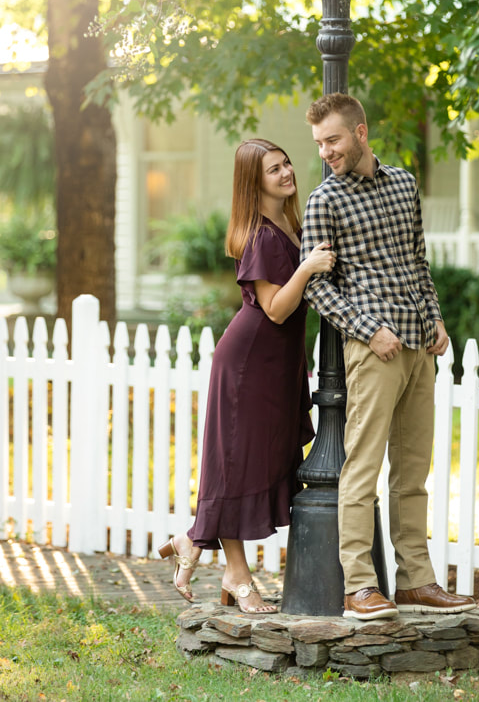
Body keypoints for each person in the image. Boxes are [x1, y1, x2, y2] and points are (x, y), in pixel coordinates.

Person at [300, 93, 476, 621]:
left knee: (412, 473)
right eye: (319, 144)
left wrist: (436, 317)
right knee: (363, 468)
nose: (326, 151)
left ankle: (416, 581)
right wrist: (367, 330)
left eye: (332, 139)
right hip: (374, 349)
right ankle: (359, 587)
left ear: (360, 132)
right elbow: (317, 288)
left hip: (420, 345)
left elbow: (416, 260)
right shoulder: (323, 200)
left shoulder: (403, 183)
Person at [159, 138, 336, 613]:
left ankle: (192, 542)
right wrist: (309, 267)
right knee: (237, 464)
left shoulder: (291, 222)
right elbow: (277, 309)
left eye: (286, 164)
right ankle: (236, 575)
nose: (286, 173)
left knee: (260, 460)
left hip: (278, 364)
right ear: (252, 182)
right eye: (273, 170)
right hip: (248, 363)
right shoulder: (259, 234)